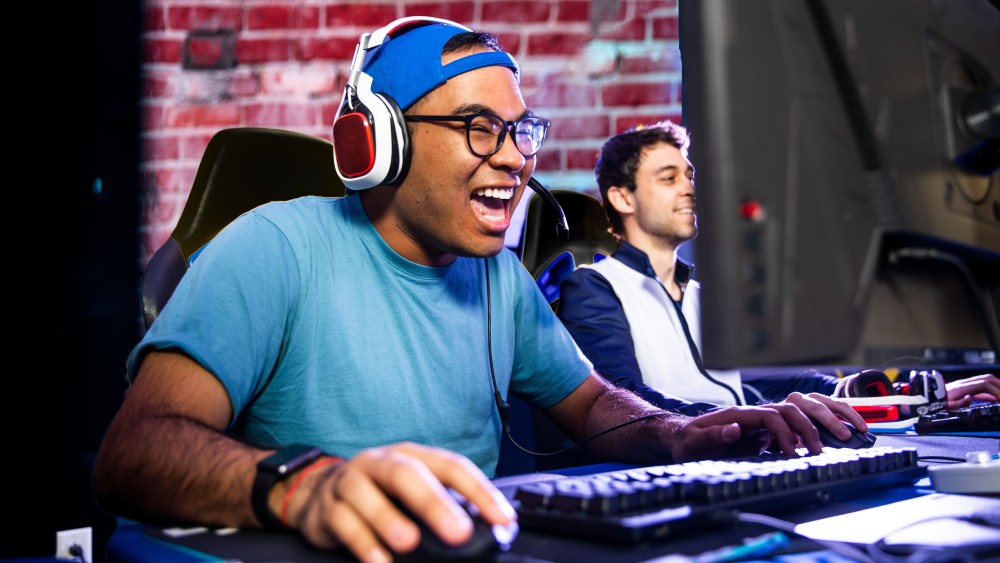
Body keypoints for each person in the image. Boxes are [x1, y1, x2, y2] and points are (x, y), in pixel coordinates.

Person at [93, 19, 868, 563]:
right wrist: (305, 488)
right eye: (478, 128)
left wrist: (683, 432)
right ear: (380, 140)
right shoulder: (275, 247)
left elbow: (590, 403)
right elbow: (133, 453)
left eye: (521, 132)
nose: (514, 159)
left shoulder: (498, 274)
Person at [556, 120, 1000, 414]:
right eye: (669, 178)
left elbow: (775, 382)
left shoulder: (701, 297)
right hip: (663, 474)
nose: (689, 190)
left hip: (737, 458)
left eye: (689, 176)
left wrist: (912, 393)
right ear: (622, 198)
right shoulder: (594, 287)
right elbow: (622, 405)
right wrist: (749, 421)